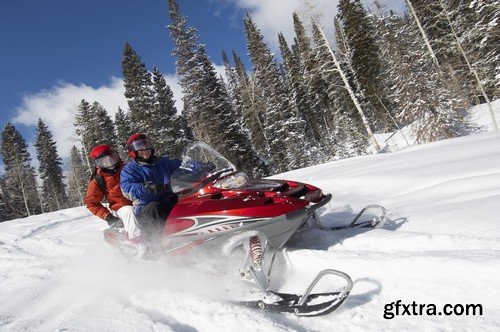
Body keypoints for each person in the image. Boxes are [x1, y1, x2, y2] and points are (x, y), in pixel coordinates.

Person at [84, 144, 148, 258]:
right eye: (104, 161)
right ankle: (141, 247)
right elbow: (91, 203)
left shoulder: (128, 168)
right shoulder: (98, 180)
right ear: (98, 164)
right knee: (129, 211)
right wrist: (108, 216)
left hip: (140, 200)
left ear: (117, 156)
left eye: (111, 158)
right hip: (120, 207)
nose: (110, 163)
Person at [120, 133, 182, 249]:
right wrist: (146, 187)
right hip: (146, 206)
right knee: (156, 208)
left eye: (147, 145)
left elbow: (183, 165)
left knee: (186, 201)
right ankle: (159, 247)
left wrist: (201, 166)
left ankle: (191, 236)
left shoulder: (163, 162)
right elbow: (127, 188)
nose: (145, 150)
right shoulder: (129, 169)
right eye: (139, 147)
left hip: (170, 197)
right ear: (133, 150)